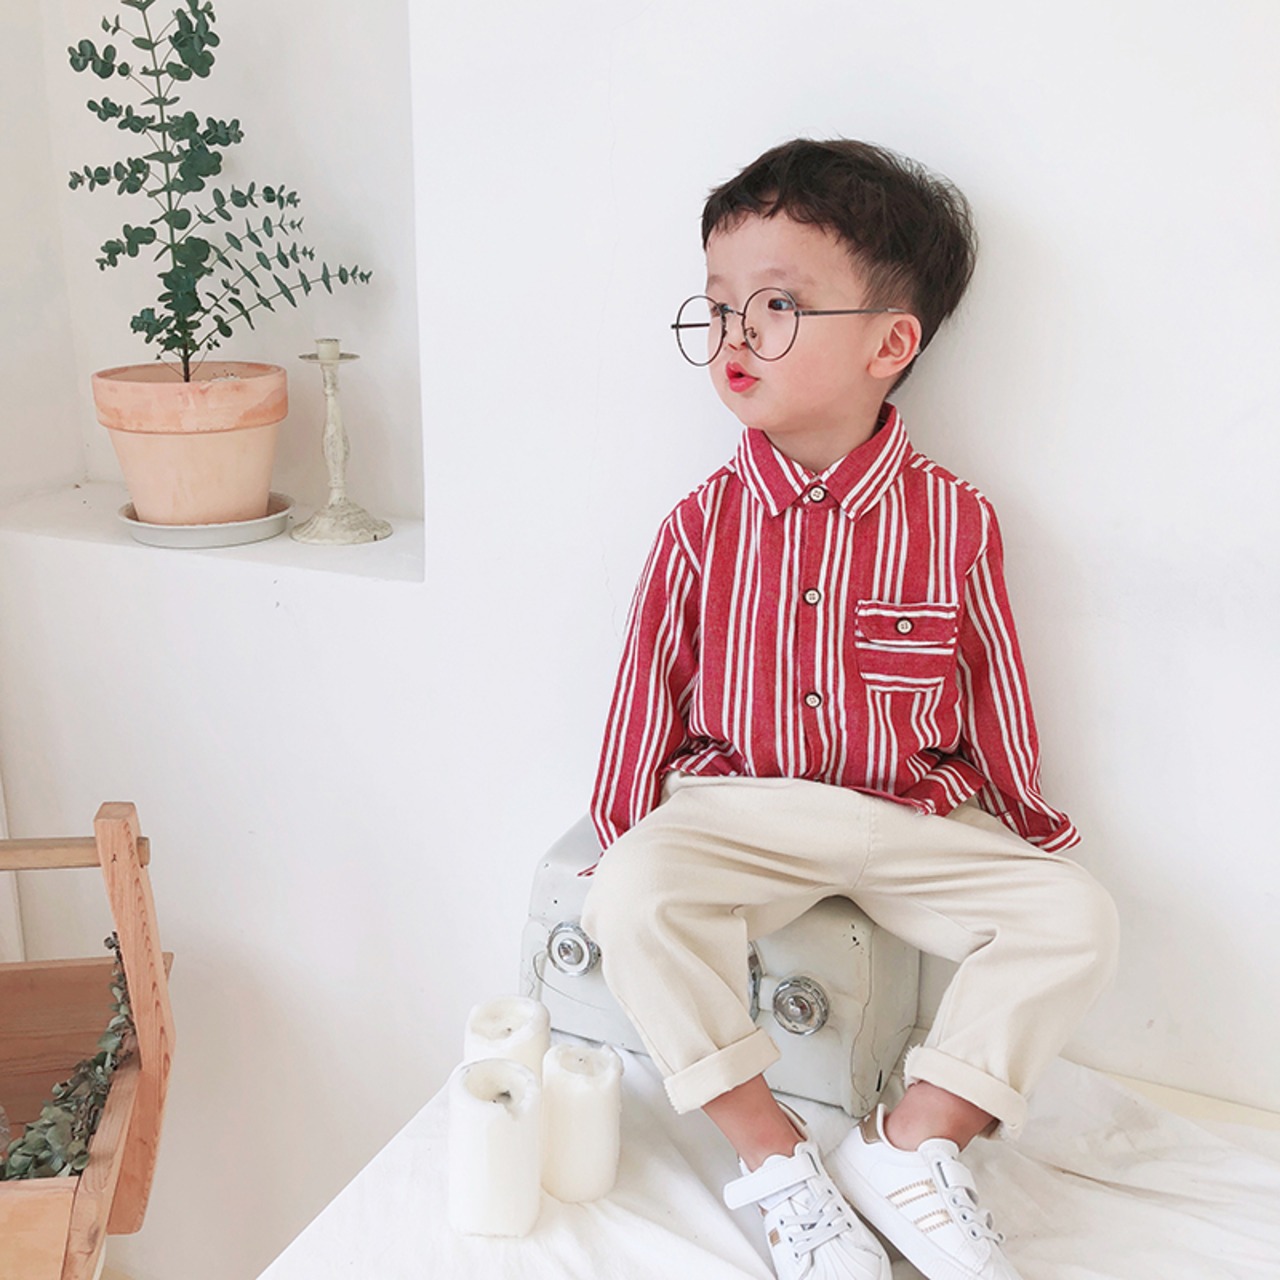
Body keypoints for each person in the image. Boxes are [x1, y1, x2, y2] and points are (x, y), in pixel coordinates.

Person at [582, 138, 1119, 1280]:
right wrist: (626, 833)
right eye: (719, 307)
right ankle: (775, 1157)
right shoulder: (700, 525)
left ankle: (911, 1143)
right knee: (630, 893)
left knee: (1077, 916)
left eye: (777, 305)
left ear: (889, 345)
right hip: (743, 810)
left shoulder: (956, 520)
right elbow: (646, 683)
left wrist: (1024, 821)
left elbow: (992, 679)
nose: (736, 335)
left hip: (909, 818)